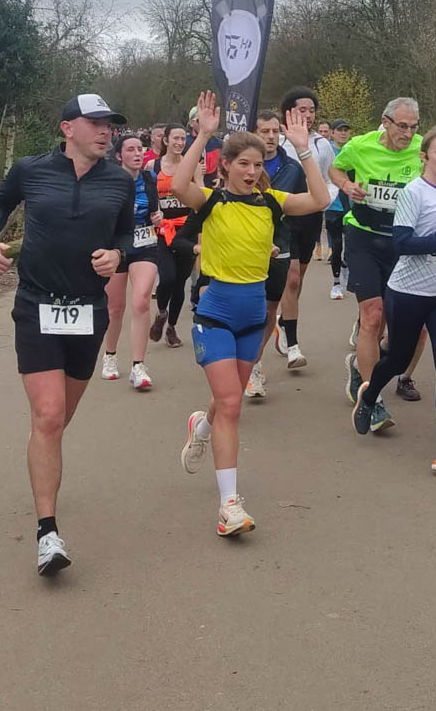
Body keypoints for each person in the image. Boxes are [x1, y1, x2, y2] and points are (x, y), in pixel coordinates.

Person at [0, 94, 132, 575]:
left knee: (58, 418)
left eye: (109, 124)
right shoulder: (31, 170)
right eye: (96, 123)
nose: (106, 131)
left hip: (88, 310)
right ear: (68, 128)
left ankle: (41, 450)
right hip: (36, 306)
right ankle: (48, 533)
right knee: (48, 415)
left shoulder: (120, 181)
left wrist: (119, 256)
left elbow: (128, 234)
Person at [175, 91, 328, 536]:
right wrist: (203, 135)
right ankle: (230, 506)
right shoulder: (211, 202)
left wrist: (303, 149)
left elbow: (320, 200)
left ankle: (202, 427)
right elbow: (180, 187)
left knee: (228, 401)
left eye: (257, 165)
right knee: (231, 404)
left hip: (253, 317)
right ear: (225, 165)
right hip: (216, 314)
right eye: (243, 163)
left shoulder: (273, 201)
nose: (251, 171)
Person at [351, 127, 436, 473]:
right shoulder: (413, 192)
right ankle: (369, 395)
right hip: (408, 292)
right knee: (397, 359)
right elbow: (403, 243)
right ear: (425, 157)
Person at [329, 98, 424, 410]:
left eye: (413, 127)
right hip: (364, 236)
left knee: (396, 323)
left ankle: (362, 364)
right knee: (372, 314)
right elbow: (335, 168)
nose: (408, 134)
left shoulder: (422, 149)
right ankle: (372, 400)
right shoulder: (360, 145)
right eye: (402, 126)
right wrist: (346, 185)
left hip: (401, 242)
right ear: (385, 122)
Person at [243, 110, 307, 399]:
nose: (270, 137)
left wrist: (297, 247)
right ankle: (241, 361)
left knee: (269, 310)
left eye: (274, 131)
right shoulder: (240, 165)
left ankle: (253, 365)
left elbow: (305, 206)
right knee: (247, 308)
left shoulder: (292, 168)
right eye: (264, 131)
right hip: (244, 246)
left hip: (279, 244)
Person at [273, 88, 335, 367]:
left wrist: (327, 198)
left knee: (299, 279)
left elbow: (330, 178)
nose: (308, 115)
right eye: (302, 109)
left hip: (311, 215)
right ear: (288, 112)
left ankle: (285, 320)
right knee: (293, 278)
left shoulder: (322, 144)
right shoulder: (278, 141)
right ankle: (293, 344)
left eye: (312, 110)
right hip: (285, 216)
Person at [100, 132, 163, 389]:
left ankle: (138, 365)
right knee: (115, 308)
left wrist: (157, 216)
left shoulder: (149, 178)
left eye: (140, 149)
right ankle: (110, 355)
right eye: (131, 150)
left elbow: (155, 208)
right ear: (119, 156)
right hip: (116, 246)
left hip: (145, 242)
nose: (138, 153)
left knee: (141, 301)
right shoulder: (109, 181)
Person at [150, 123, 200, 348]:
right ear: (166, 141)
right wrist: (154, 212)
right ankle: (161, 313)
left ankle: (171, 327)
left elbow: (202, 196)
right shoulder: (153, 166)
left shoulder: (192, 167)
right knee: (167, 277)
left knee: (180, 282)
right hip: (162, 230)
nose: (180, 143)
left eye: (183, 139)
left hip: (186, 230)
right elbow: (149, 196)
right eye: (176, 138)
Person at [325, 119, 353, 299]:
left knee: (351, 246)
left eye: (346, 130)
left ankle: (346, 268)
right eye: (340, 130)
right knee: (336, 245)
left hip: (351, 206)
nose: (343, 133)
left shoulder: (354, 150)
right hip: (333, 205)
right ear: (332, 133)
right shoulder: (327, 151)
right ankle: (336, 284)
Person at [186, 105, 224, 187]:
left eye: (207, 120)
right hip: (190, 188)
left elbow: (224, 165)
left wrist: (220, 178)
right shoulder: (184, 143)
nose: (204, 123)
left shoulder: (218, 143)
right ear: (191, 123)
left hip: (212, 188)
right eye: (199, 120)